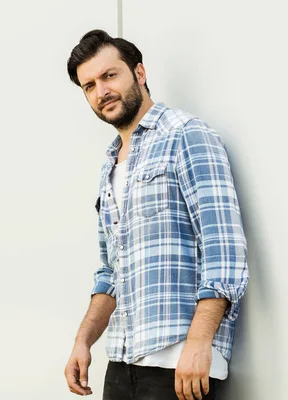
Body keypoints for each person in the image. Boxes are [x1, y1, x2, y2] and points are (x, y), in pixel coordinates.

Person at [64, 30, 249, 400]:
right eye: (89, 86)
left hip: (180, 368)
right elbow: (110, 272)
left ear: (140, 73)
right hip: (120, 365)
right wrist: (83, 341)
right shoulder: (109, 166)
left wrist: (199, 344)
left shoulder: (186, 135)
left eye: (109, 75)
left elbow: (223, 250)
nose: (101, 91)